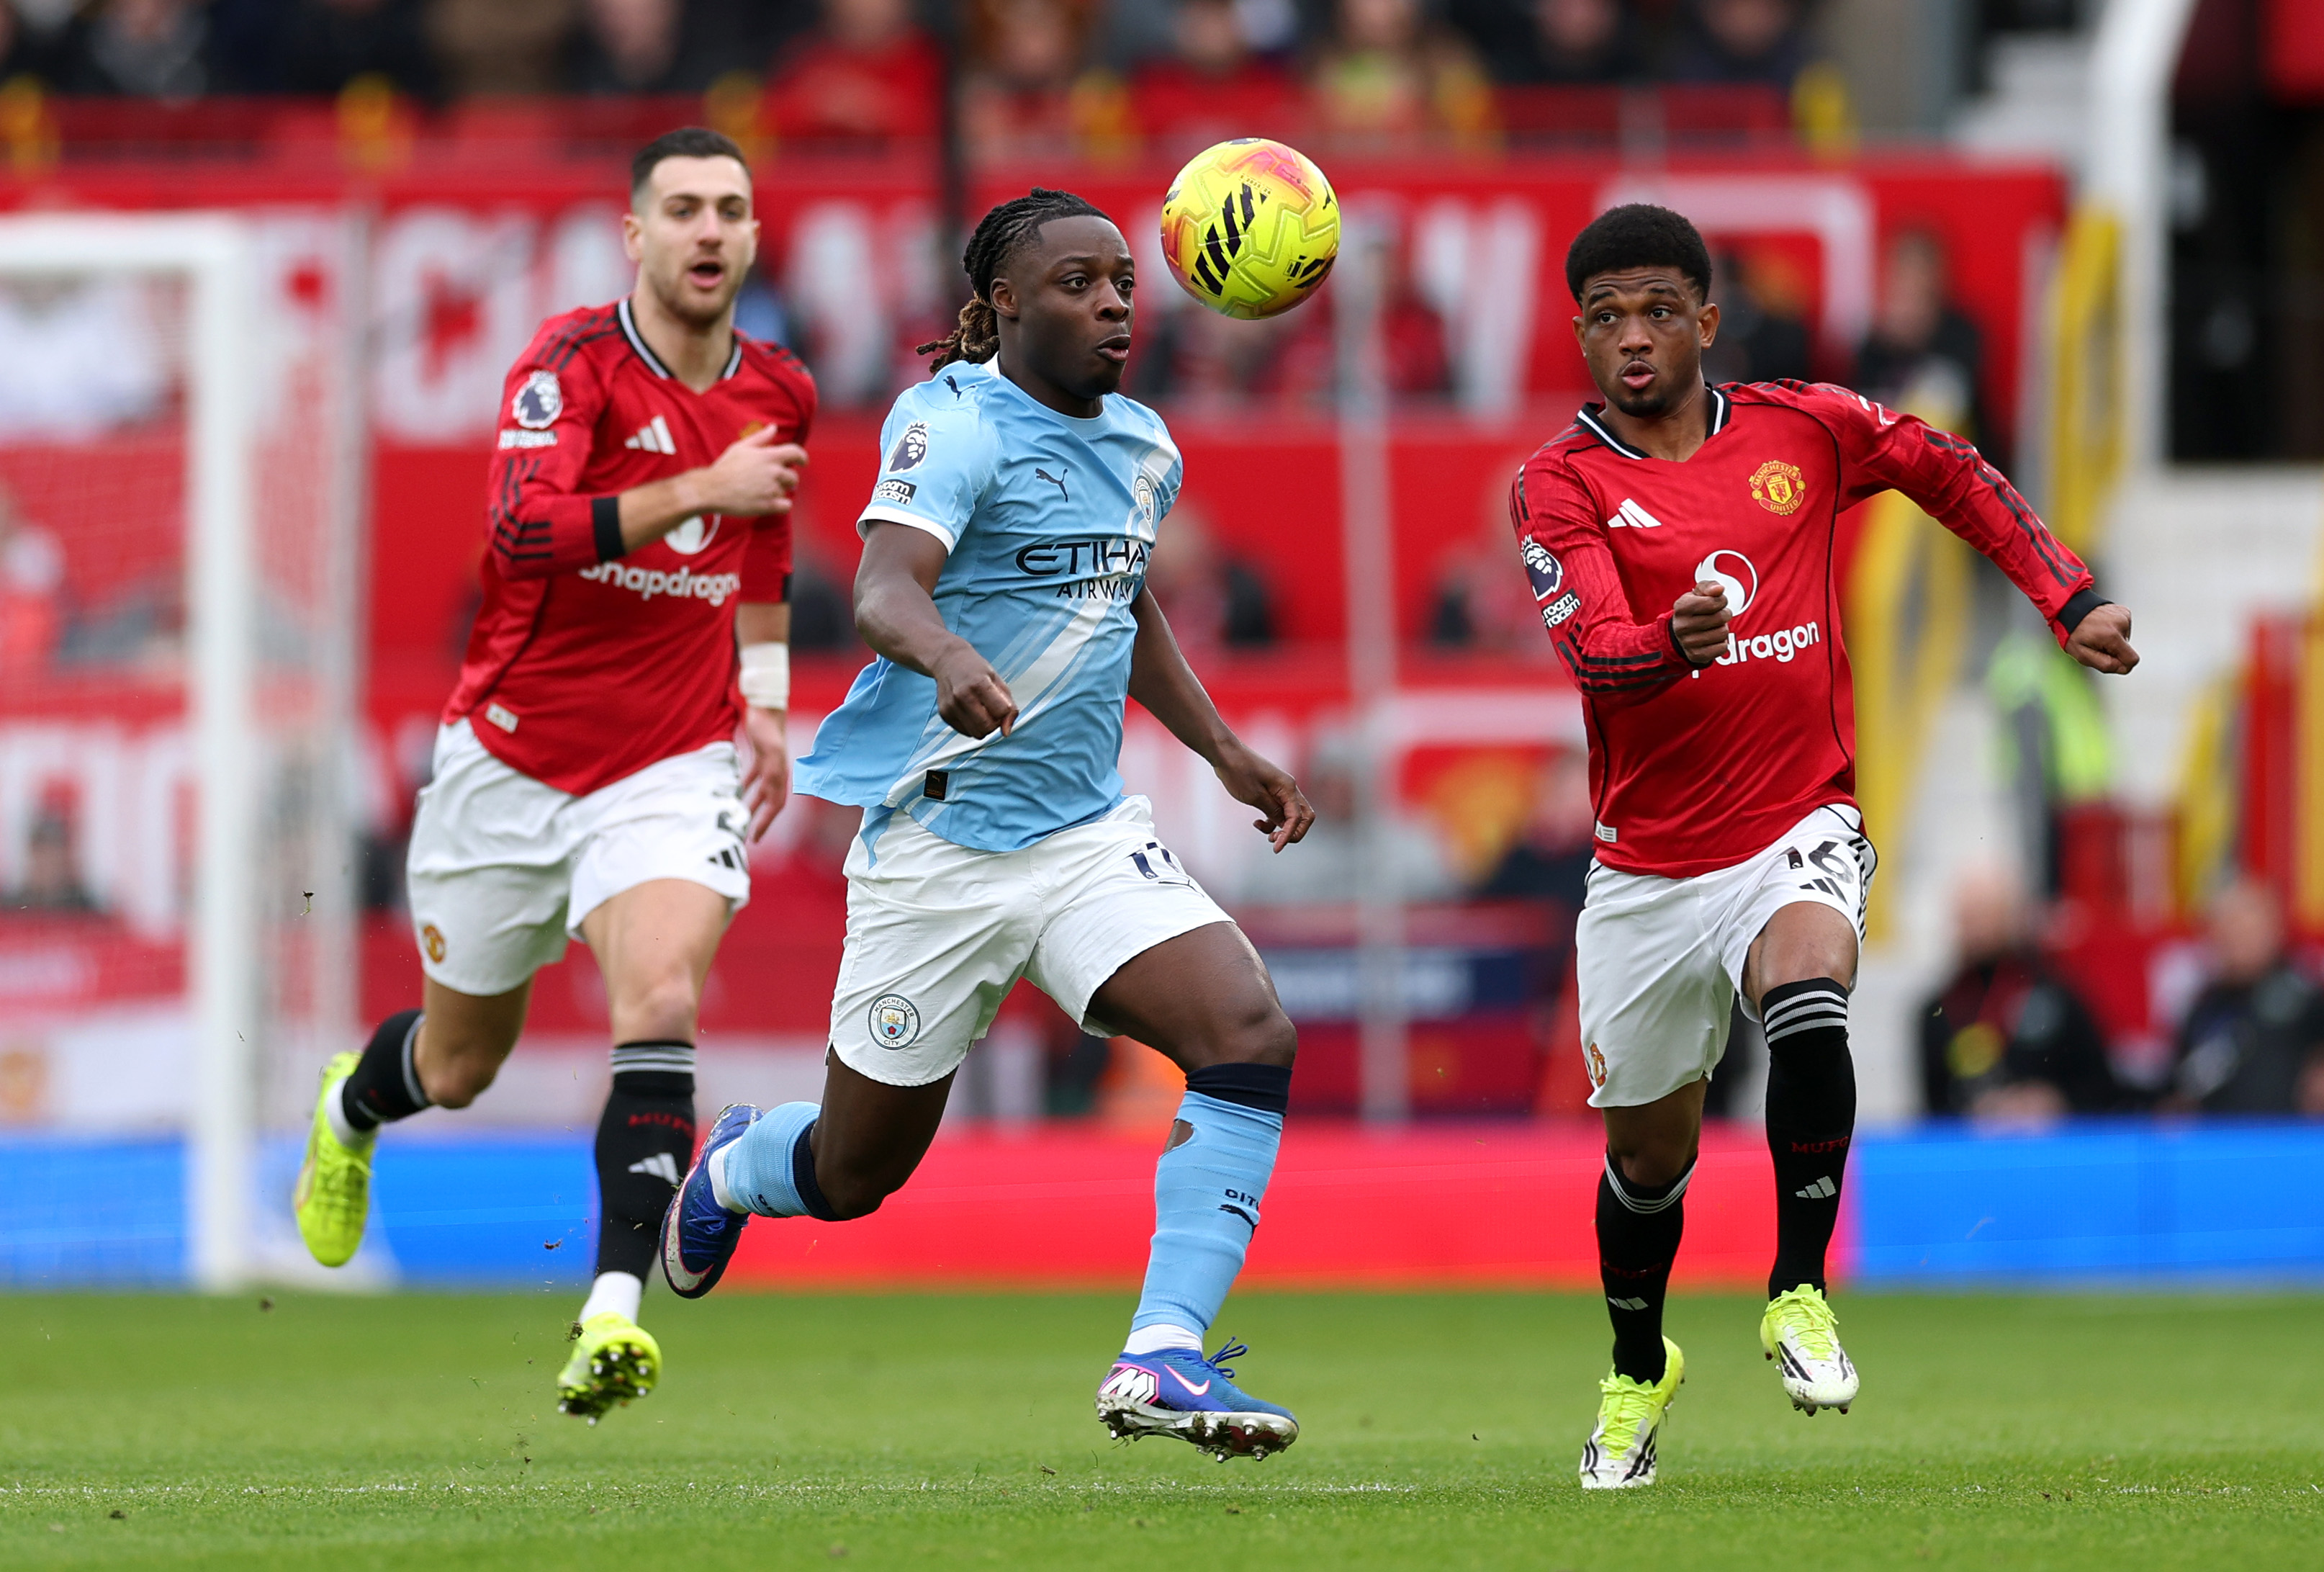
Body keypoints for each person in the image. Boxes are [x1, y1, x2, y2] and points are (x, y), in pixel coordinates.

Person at [659, 188, 1319, 1463]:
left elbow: (1122, 609)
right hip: (936, 849)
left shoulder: (1142, 443)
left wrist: (1226, 750)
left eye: (1122, 281)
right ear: (1004, 302)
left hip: (1079, 837)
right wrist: (951, 655)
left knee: (1246, 1030)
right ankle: (741, 1161)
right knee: (853, 1176)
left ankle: (1161, 1350)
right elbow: (881, 588)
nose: (1112, 303)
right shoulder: (951, 422)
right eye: (1076, 283)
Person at [1513, 203, 2138, 1488]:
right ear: (1580, 332)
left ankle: (1797, 1291)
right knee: (1647, 1160)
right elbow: (1585, 647)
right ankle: (1636, 1369)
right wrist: (1659, 646)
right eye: (1603, 317)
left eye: (1652, 310)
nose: (1629, 338)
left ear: (1704, 318)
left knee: (1809, 997)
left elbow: (1948, 468)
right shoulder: (1555, 480)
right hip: (1643, 867)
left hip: (1797, 817)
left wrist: (2063, 593)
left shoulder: (1807, 425)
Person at [291, 128, 816, 1425]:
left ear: (752, 238)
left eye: (730, 210)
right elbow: (523, 531)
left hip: (672, 756)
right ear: (634, 235)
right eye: (682, 209)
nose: (708, 230)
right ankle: (353, 1108)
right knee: (460, 1062)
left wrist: (761, 705)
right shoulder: (569, 363)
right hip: (510, 758)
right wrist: (700, 481)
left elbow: (762, 549)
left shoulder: (780, 390)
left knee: (661, 989)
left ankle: (611, 1313)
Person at [1917, 863, 2120, 1121]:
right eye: (1966, 916)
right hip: (1973, 1155)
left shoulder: (2059, 997)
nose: (1974, 927)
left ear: (2012, 916)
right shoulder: (1937, 1012)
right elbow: (1931, 1114)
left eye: (1984, 914)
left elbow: (2103, 1090)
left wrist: (2054, 1102)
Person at [2166, 880, 2324, 1116]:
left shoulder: (2306, 997)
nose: (2241, 942)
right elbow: (2183, 1085)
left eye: (2251, 930)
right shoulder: (2204, 1010)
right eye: (2231, 930)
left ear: (2275, 932)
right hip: (2216, 1143)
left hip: (2289, 1141)